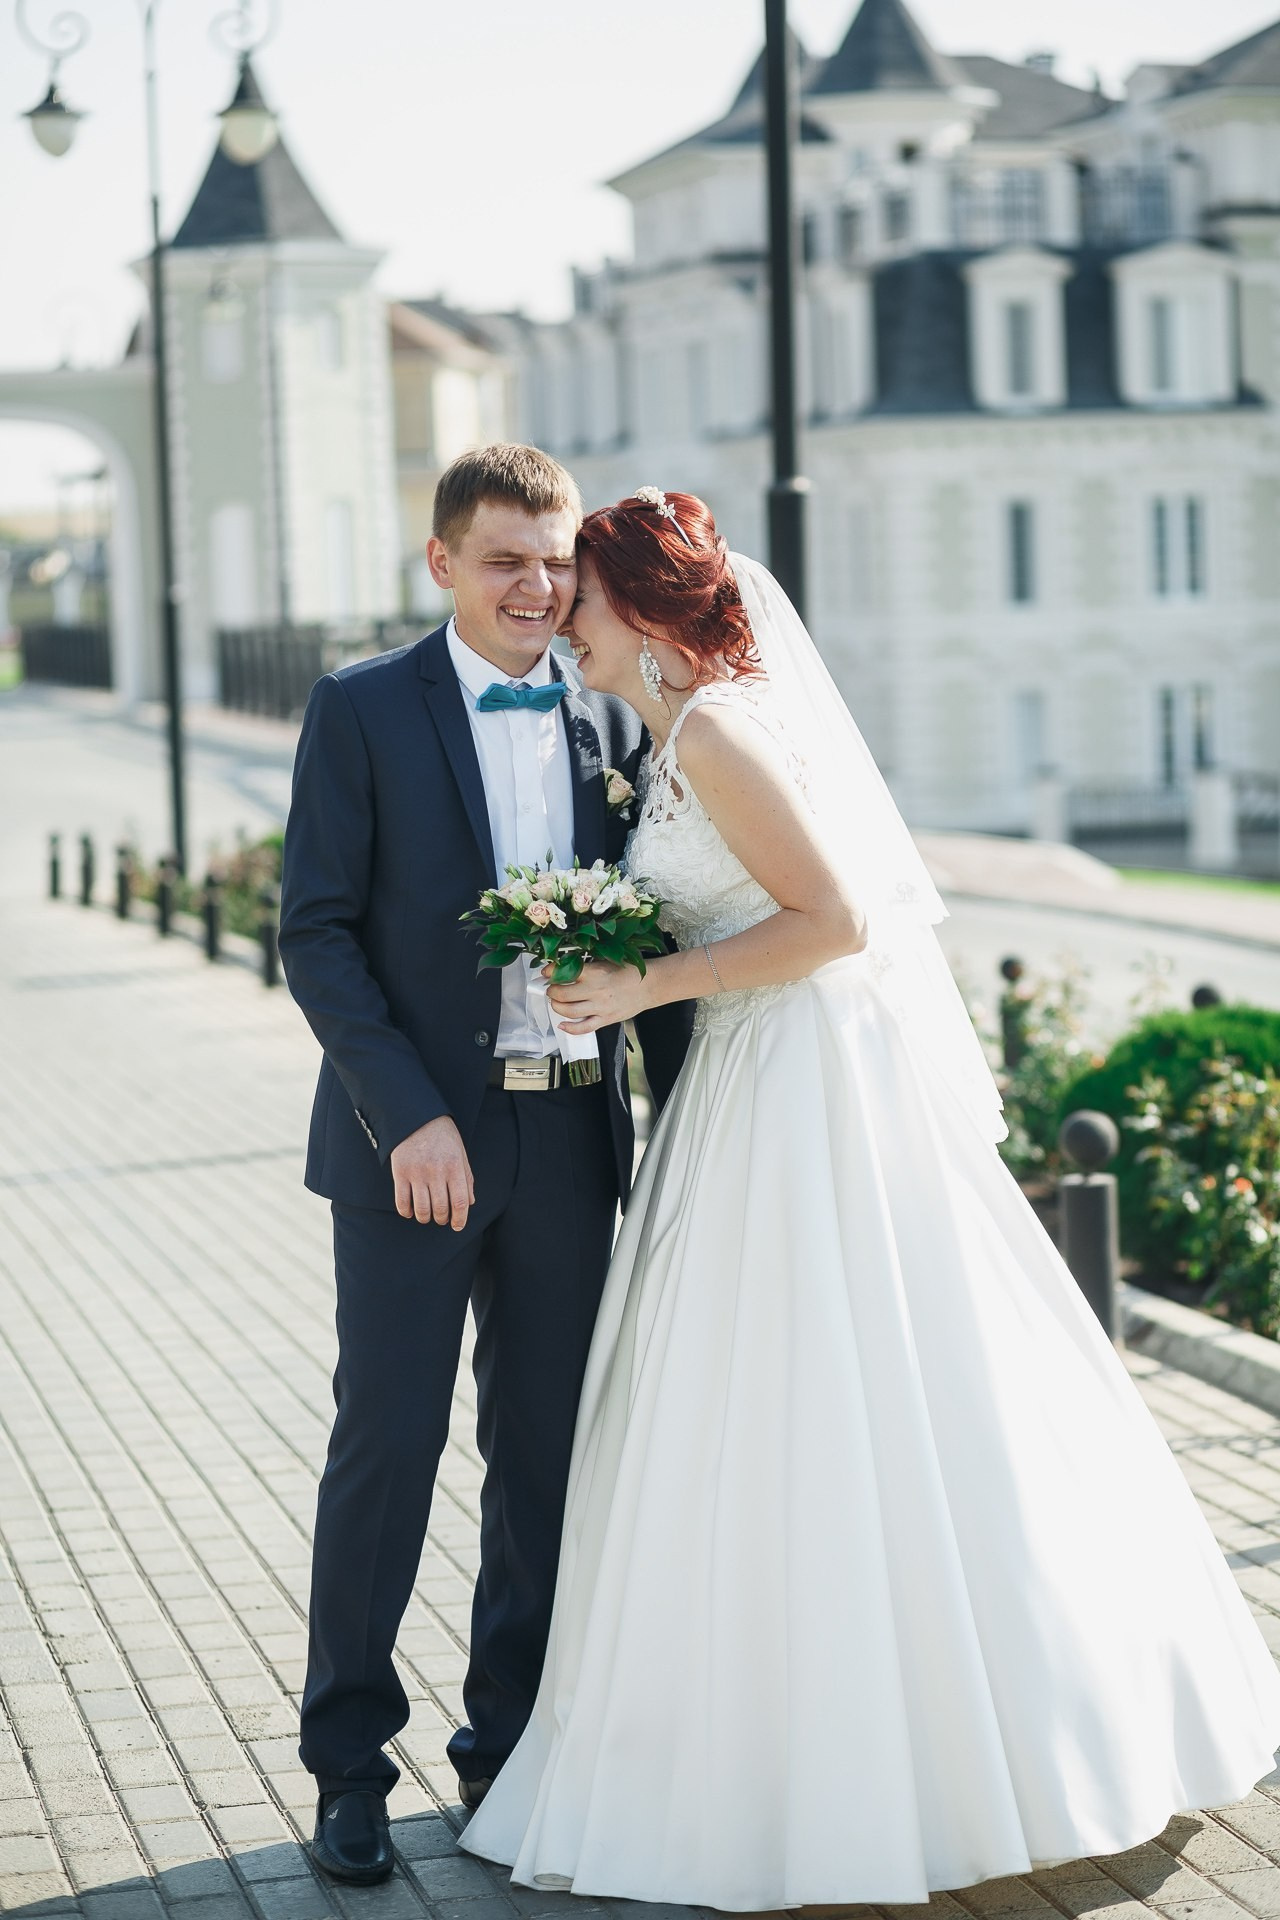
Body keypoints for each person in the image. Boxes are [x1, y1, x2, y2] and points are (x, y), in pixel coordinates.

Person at [459, 489, 1280, 1911]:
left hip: (796, 1086)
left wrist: (644, 980)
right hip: (744, 1082)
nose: (563, 623)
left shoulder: (717, 730)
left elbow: (833, 922)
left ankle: (918, 1757)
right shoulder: (679, 735)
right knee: (764, 1407)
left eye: (581, 598)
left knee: (830, 1394)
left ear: (643, 610)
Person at [277, 447, 691, 1886]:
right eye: (508, 558)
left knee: (546, 1462)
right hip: (416, 1151)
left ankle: (505, 1754)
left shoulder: (615, 710)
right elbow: (315, 932)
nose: (540, 586)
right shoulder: (362, 708)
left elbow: (668, 928)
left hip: (572, 1138)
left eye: (557, 558)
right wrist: (409, 1117)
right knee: (387, 1446)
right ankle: (346, 1763)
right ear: (441, 563)